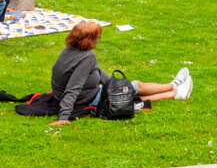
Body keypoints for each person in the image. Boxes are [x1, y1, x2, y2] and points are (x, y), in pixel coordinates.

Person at [48, 21, 192, 125]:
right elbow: (74, 88)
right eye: (97, 38)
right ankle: (173, 89)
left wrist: (115, 85)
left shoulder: (70, 50)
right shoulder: (87, 57)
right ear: (89, 40)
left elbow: (96, 71)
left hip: (82, 93)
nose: (98, 40)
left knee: (127, 89)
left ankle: (174, 89)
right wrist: (63, 117)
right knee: (135, 88)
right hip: (85, 99)